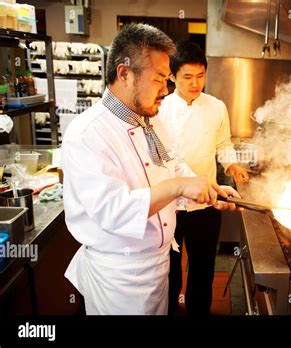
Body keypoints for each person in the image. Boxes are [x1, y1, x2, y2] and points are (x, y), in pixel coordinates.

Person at [62, 23, 239, 315]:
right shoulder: (88, 133)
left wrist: (207, 189)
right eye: (159, 80)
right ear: (124, 73)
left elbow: (173, 165)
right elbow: (113, 210)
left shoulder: (150, 120)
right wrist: (179, 188)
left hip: (157, 265)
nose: (166, 90)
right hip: (119, 279)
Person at [159, 41, 249, 316]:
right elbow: (163, 156)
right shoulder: (160, 108)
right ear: (173, 76)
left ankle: (200, 312)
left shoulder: (216, 107)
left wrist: (232, 164)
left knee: (203, 266)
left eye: (201, 76)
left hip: (206, 202)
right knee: (169, 267)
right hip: (169, 203)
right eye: (188, 76)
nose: (195, 83)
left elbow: (223, 143)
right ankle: (169, 310)